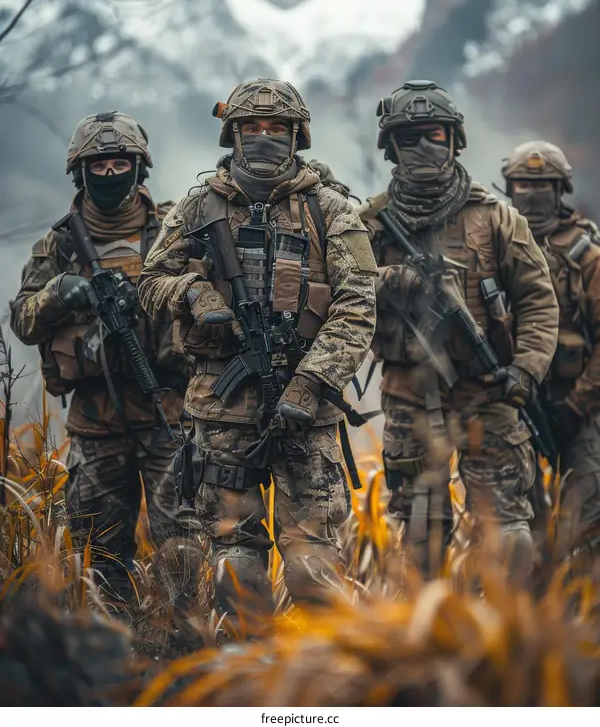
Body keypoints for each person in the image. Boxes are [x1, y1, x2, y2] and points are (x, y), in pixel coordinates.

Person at [137, 78, 377, 626]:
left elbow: (359, 305)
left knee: (313, 566)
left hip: (306, 415)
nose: (264, 136)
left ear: (297, 136)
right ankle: (249, 672)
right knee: (235, 564)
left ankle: (332, 669)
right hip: (222, 413)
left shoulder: (330, 210)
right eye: (251, 127)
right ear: (233, 134)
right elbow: (150, 281)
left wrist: (310, 383)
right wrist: (191, 292)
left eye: (276, 128)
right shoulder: (198, 206)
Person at [358, 80, 558, 580]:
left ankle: (504, 624)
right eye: (411, 138)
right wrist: (393, 281)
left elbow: (537, 300)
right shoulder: (371, 224)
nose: (426, 147)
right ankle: (427, 625)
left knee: (508, 536)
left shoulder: (495, 218)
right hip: (409, 395)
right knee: (419, 538)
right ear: (391, 147)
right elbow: (342, 291)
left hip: (488, 392)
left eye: (436, 135)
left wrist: (526, 370)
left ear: (454, 140)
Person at [10, 111, 189, 604]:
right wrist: (59, 293)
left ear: (139, 167)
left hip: (169, 416)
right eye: (99, 165)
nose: (109, 173)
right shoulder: (59, 245)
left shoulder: (172, 233)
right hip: (95, 426)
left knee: (184, 550)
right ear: (80, 172)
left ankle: (183, 639)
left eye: (119, 164)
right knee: (99, 557)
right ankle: (112, 642)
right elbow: (23, 321)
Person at [502, 141, 600, 555]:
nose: (532, 194)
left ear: (560, 190)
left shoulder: (586, 257)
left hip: (576, 407)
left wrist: (576, 406)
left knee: (585, 522)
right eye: (523, 185)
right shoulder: (496, 245)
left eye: (542, 185)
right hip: (513, 406)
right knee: (518, 527)